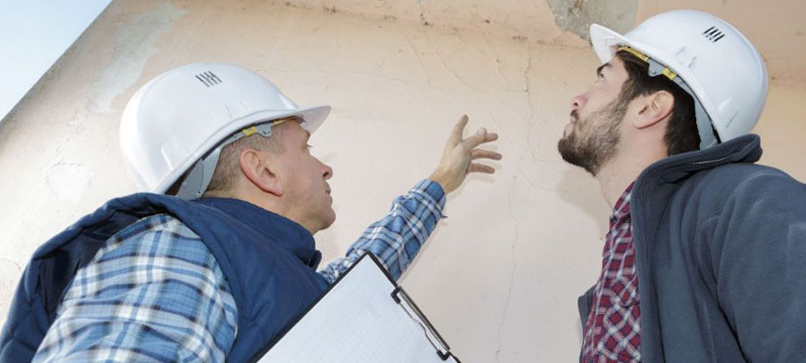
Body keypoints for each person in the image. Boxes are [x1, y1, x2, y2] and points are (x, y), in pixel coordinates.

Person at [0, 62, 501, 362]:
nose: (325, 168)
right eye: (306, 148)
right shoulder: (179, 251)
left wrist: (440, 182)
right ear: (262, 169)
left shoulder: (252, 274)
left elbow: (365, 271)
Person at [559, 10, 806, 362]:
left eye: (603, 78)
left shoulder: (754, 200)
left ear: (651, 107)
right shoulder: (627, 261)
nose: (577, 99)